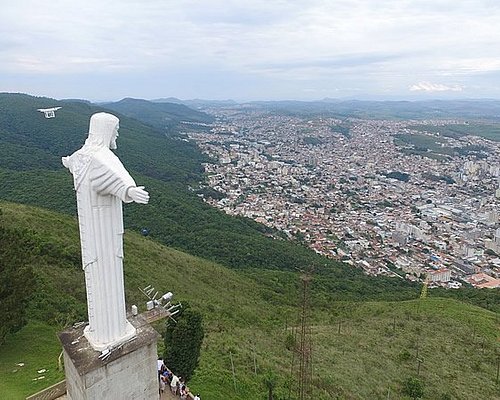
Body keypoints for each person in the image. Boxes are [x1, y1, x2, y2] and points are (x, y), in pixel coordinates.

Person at [62, 112, 149, 351]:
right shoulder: (100, 158)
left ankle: (106, 329)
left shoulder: (82, 157)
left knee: (99, 275)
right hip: (104, 231)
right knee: (107, 274)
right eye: (116, 130)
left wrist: (68, 163)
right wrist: (131, 192)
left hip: (91, 229)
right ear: (105, 131)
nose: (117, 134)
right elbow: (116, 180)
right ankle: (111, 332)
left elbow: (78, 167)